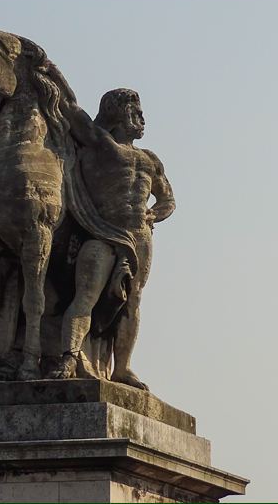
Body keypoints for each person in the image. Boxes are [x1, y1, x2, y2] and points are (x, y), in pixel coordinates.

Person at [48, 88, 175, 390]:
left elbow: (168, 199)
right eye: (135, 112)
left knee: (133, 301)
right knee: (86, 295)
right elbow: (70, 110)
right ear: (117, 114)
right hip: (101, 230)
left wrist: (154, 214)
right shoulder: (99, 142)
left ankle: (123, 367)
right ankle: (69, 356)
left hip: (139, 236)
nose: (142, 118)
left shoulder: (150, 159)